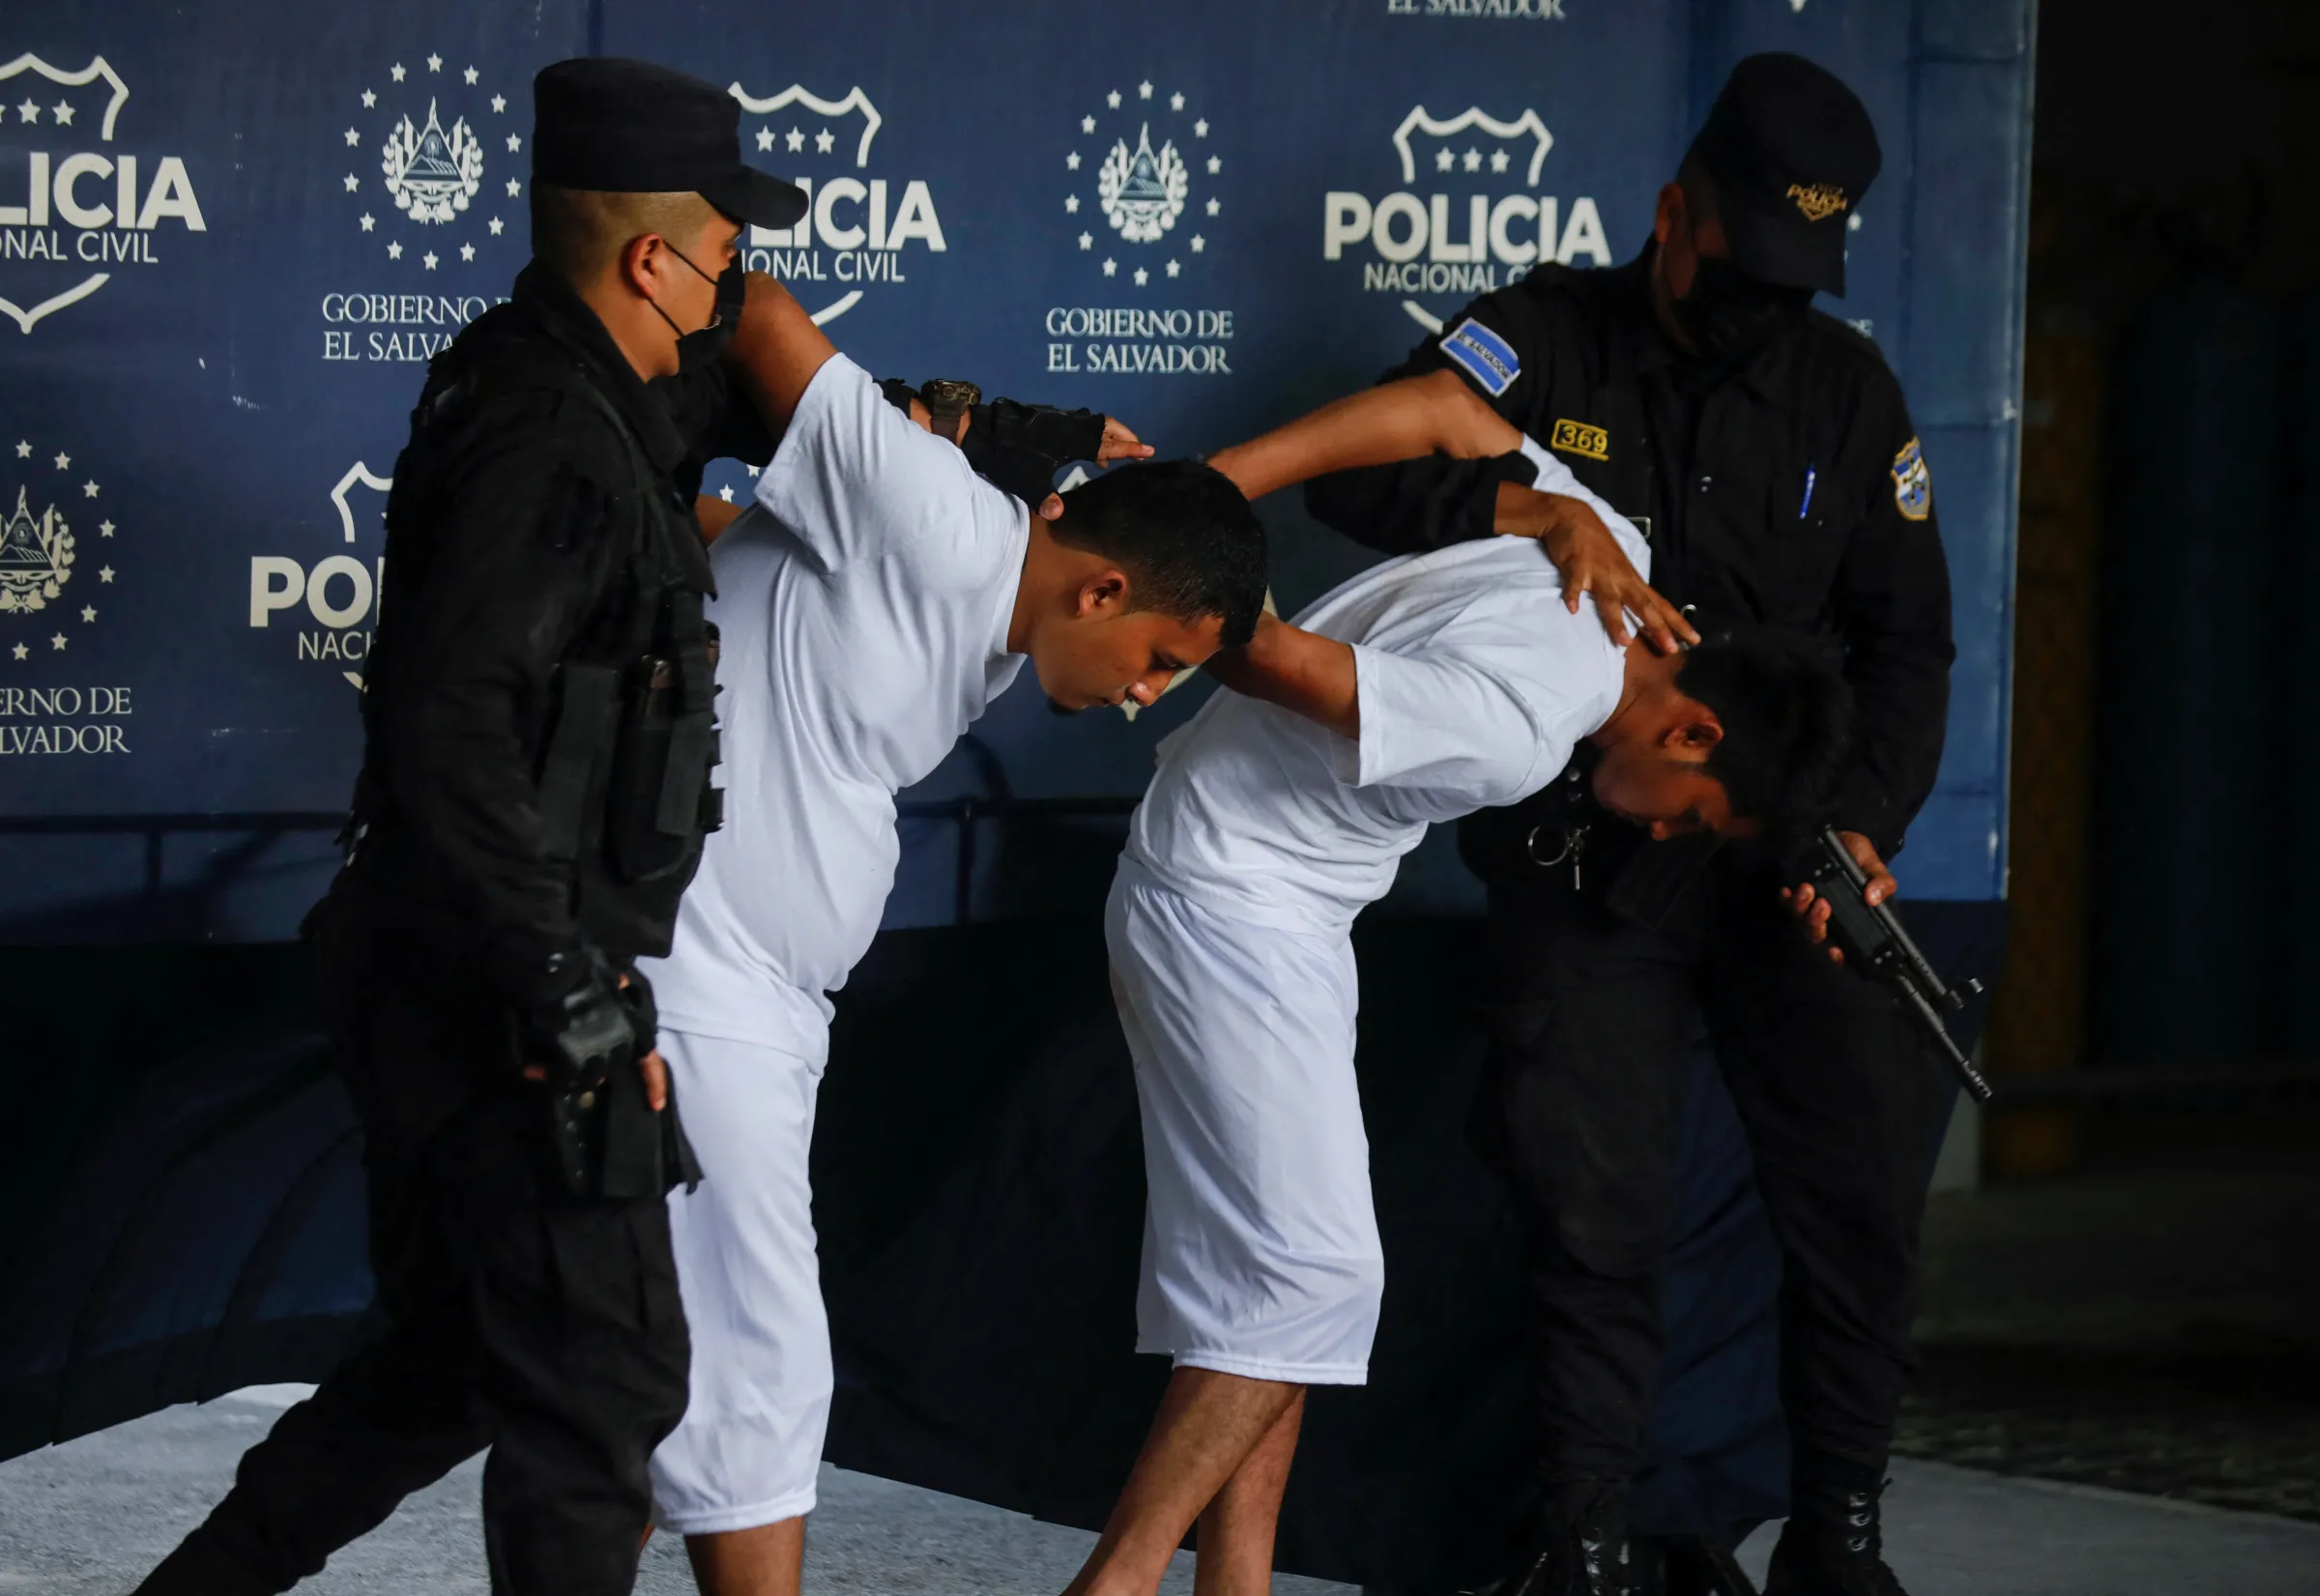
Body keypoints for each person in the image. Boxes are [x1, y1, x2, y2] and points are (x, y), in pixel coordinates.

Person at [132, 59, 808, 1596]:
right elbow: (445, 720)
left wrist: (996, 435)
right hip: (502, 985)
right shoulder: (548, 437)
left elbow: (753, 387)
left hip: (452, 962)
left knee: (450, 1359)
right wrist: (565, 993)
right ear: (653, 260)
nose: (742, 286)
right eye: (725, 255)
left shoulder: (562, 373)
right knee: (603, 1389)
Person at [1304, 52, 1958, 1596]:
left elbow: (1908, 646)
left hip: (1784, 853)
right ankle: (1583, 1535)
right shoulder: (1540, 338)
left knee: (1857, 1191)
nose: (1761, 307)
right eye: (1743, 272)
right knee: (1590, 1199)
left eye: (1798, 282)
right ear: (1675, 216)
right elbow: (1367, 478)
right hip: (1589, 852)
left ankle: (1841, 1532)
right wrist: (1529, 507)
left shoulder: (1849, 393)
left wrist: (1861, 831)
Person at [1059, 371, 1850, 1596]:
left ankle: (1239, 1585)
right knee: (1319, 1277)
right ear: (1694, 735)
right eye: (1700, 820)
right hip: (1226, 897)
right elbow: (1259, 654)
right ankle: (1113, 1584)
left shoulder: (1609, 544)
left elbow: (1439, 405)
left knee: (1276, 1290)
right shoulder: (1525, 723)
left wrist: (1234, 477)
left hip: (1293, 905)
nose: (1666, 836)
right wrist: (1198, 526)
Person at [631, 272, 1271, 1596]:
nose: (1146, 698)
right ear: (1098, 589)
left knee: (647, 1364)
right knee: (761, 1364)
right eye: (1157, 659)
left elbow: (755, 568)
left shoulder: (996, 607)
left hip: (759, 1006)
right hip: (693, 984)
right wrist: (948, 426)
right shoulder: (936, 516)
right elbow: (750, 310)